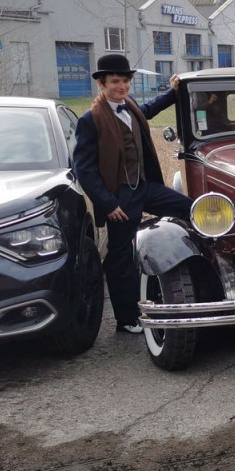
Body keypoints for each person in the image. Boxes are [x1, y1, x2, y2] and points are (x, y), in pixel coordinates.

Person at [74, 54, 191, 334]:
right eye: (115, 81)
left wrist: (174, 91)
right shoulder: (90, 120)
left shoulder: (132, 107)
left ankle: (191, 279)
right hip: (120, 197)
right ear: (102, 84)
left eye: (126, 81)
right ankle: (126, 319)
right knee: (120, 257)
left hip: (144, 186)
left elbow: (151, 108)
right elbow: (84, 169)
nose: (122, 86)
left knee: (191, 209)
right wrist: (108, 202)